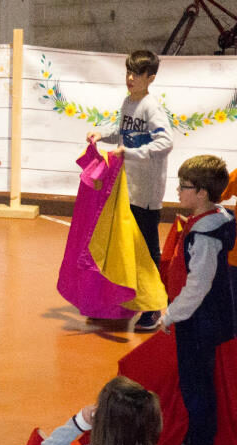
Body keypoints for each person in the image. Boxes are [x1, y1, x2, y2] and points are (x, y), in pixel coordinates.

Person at [156, 155, 234, 445]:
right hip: (208, 319)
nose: (178, 191)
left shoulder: (204, 235)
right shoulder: (220, 218)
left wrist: (171, 314)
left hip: (199, 322)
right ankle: (199, 444)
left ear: (202, 192)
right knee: (200, 382)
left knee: (196, 386)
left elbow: (198, 285)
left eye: (184, 186)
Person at [87, 50, 174, 330]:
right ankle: (122, 298)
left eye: (137, 74)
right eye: (128, 72)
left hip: (146, 194)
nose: (130, 78)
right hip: (126, 188)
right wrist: (103, 134)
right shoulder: (128, 101)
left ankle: (152, 307)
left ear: (151, 78)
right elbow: (122, 130)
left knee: (147, 250)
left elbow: (165, 143)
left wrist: (132, 153)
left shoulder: (152, 107)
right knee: (122, 245)